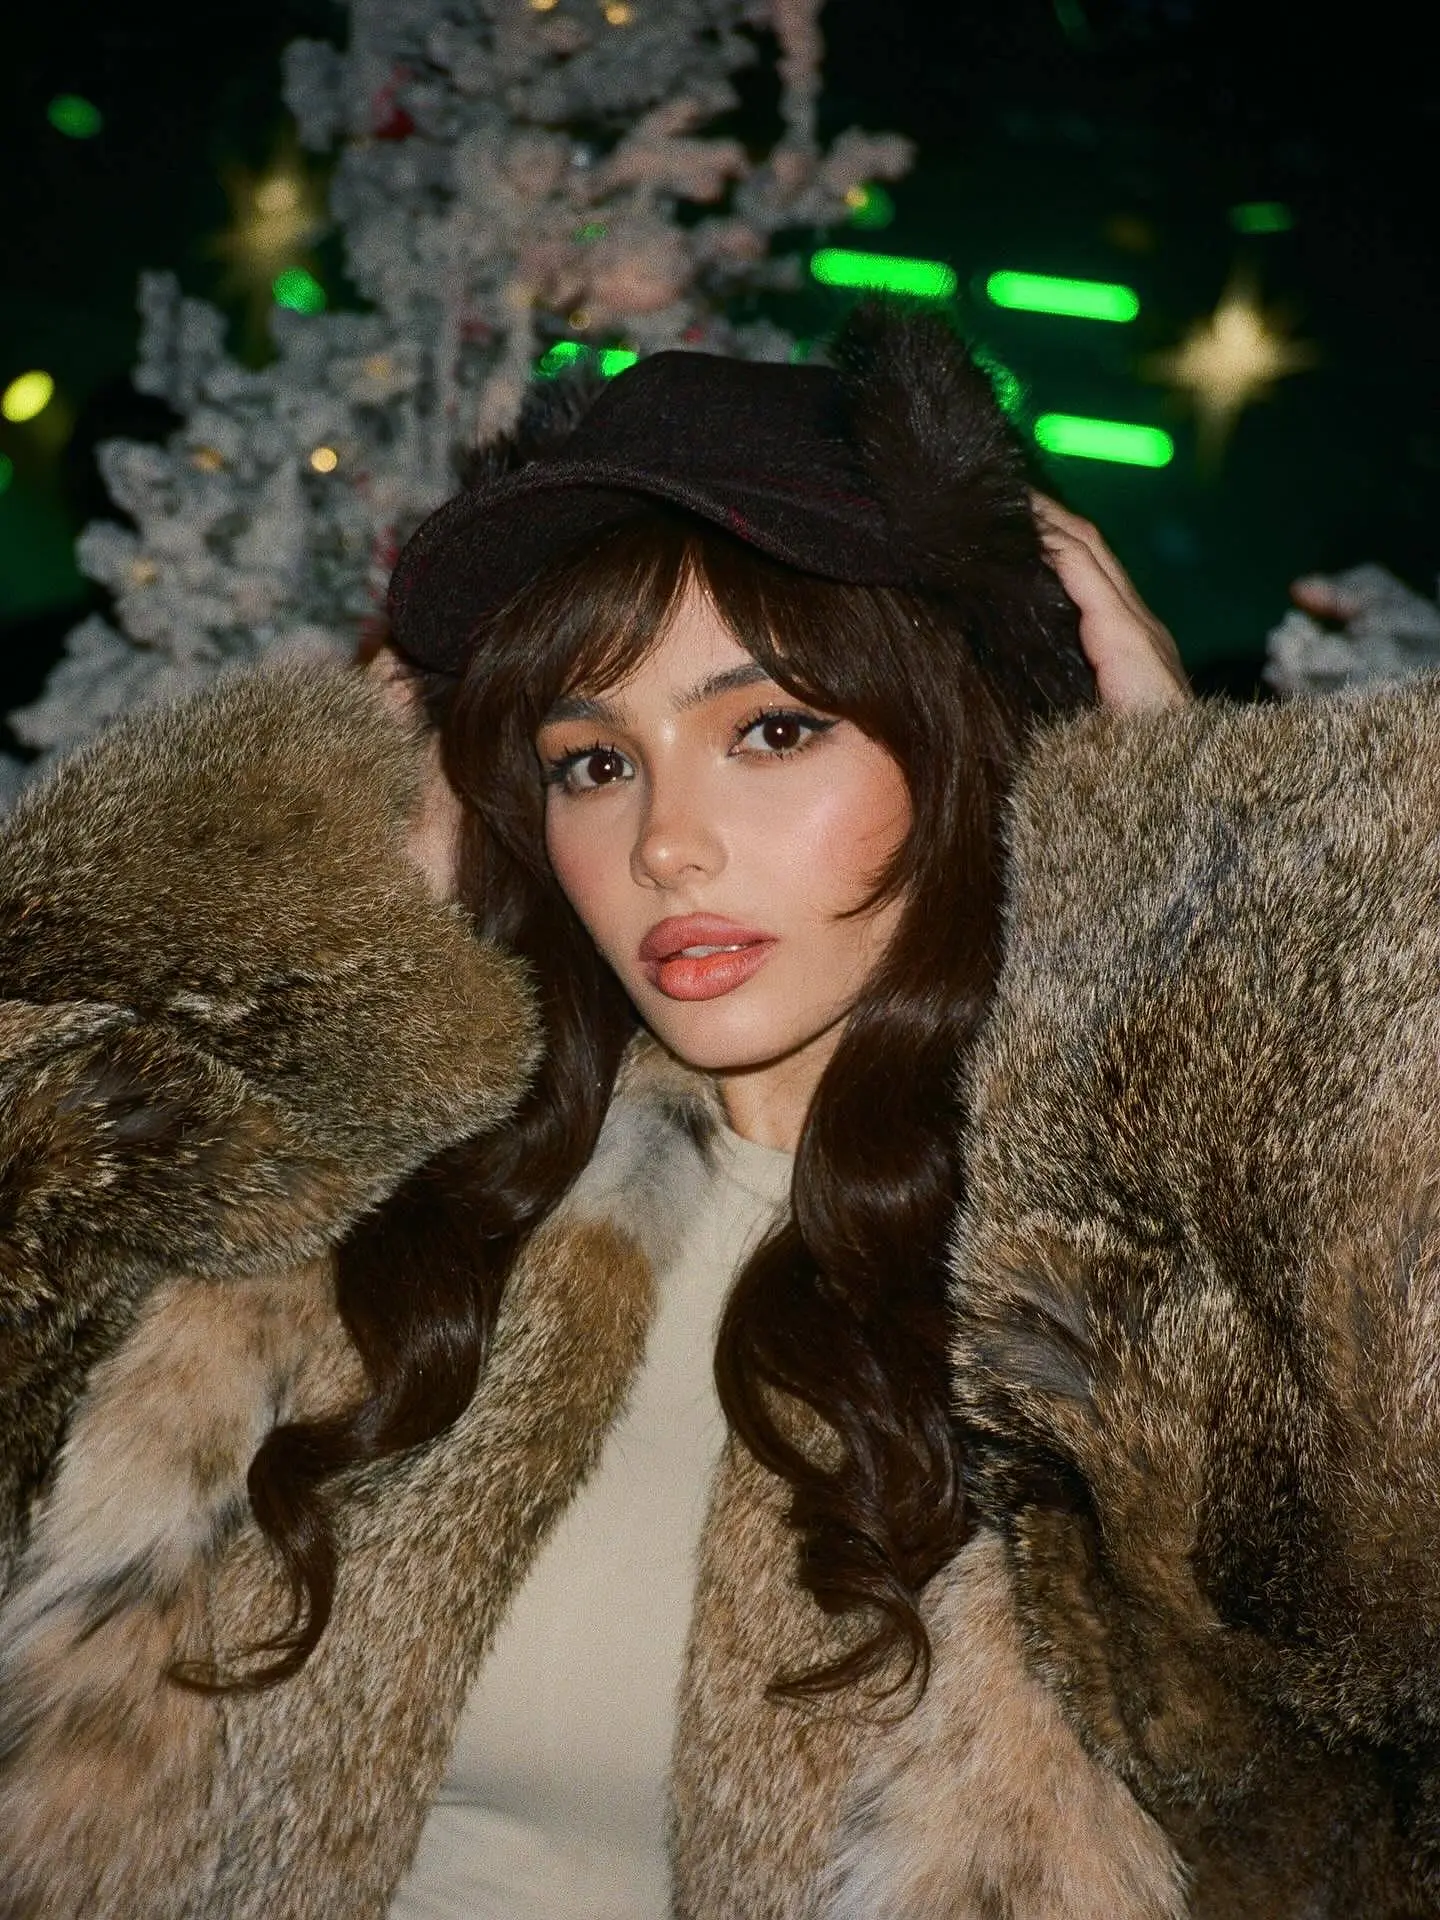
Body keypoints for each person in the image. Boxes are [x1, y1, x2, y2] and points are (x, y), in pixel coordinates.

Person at [0, 305, 1185, 1920]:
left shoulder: (1113, 1284)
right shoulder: (385, 1220)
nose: (666, 844)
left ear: (966, 754)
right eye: (592, 760)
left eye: (772, 730)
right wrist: (300, 924)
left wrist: (1190, 878)